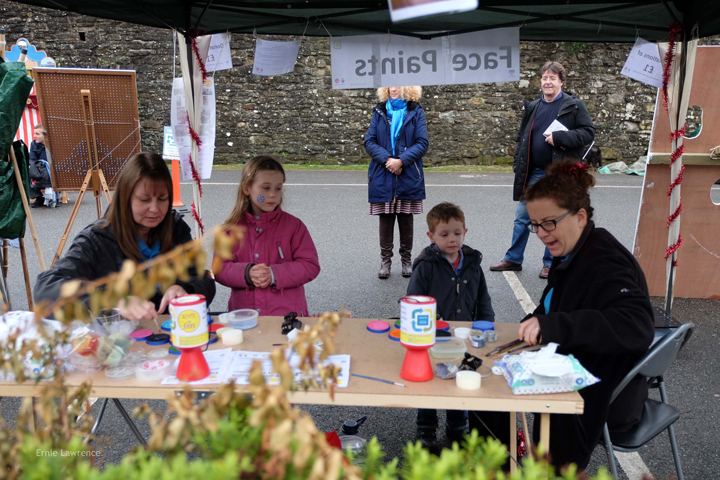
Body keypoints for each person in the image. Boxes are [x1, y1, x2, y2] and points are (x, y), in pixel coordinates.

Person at [517, 160, 654, 470]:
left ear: (580, 217)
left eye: (548, 222)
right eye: (534, 224)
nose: (540, 233)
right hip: (577, 374)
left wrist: (553, 325)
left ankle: (539, 467)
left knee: (499, 392)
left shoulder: (604, 259)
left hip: (606, 396)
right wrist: (537, 319)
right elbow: (557, 304)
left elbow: (636, 325)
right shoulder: (572, 252)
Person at [34, 152, 216, 320]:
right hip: (120, 343)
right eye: (144, 199)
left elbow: (203, 279)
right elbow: (46, 288)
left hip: (173, 335)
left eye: (162, 199)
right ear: (125, 198)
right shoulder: (97, 239)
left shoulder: (176, 229)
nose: (154, 208)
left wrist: (186, 289)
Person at [407, 202, 507, 452]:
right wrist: (421, 331)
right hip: (434, 336)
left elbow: (483, 297)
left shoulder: (473, 263)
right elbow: (413, 301)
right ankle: (426, 426)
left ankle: (456, 423)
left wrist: (486, 324)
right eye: (444, 234)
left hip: (466, 338)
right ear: (431, 236)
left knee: (460, 375)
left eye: (457, 233)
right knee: (430, 378)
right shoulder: (426, 265)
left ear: (465, 232)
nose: (452, 239)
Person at [491, 61, 595, 279]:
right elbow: (522, 138)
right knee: (522, 216)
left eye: (552, 78)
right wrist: (518, 162)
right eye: (545, 78)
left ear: (561, 82)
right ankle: (513, 259)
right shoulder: (534, 107)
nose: (548, 82)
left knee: (553, 217)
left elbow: (588, 133)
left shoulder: (574, 106)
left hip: (558, 174)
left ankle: (550, 262)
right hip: (534, 172)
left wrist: (560, 138)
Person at [215, 155, 320, 317]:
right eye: (266, 188)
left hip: (287, 315)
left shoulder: (294, 226)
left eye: (278, 188)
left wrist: (274, 274)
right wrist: (247, 273)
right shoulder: (229, 230)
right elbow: (220, 268)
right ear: (247, 188)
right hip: (244, 315)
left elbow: (310, 265)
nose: (272, 194)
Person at [365, 86, 428, 279]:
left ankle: (406, 260)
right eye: (390, 84)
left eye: (399, 84)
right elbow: (369, 141)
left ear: (408, 89)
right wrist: (388, 160)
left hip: (408, 173)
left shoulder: (416, 112)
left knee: (405, 218)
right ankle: (386, 261)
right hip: (383, 172)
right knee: (385, 219)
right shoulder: (379, 111)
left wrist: (401, 160)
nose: (394, 88)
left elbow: (422, 142)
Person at [28, 124, 55, 208]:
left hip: (52, 169)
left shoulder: (53, 144)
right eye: (34, 133)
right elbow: (32, 159)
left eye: (37, 134)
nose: (34, 136)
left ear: (45, 135)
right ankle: (38, 197)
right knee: (28, 170)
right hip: (39, 169)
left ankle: (51, 196)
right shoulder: (33, 144)